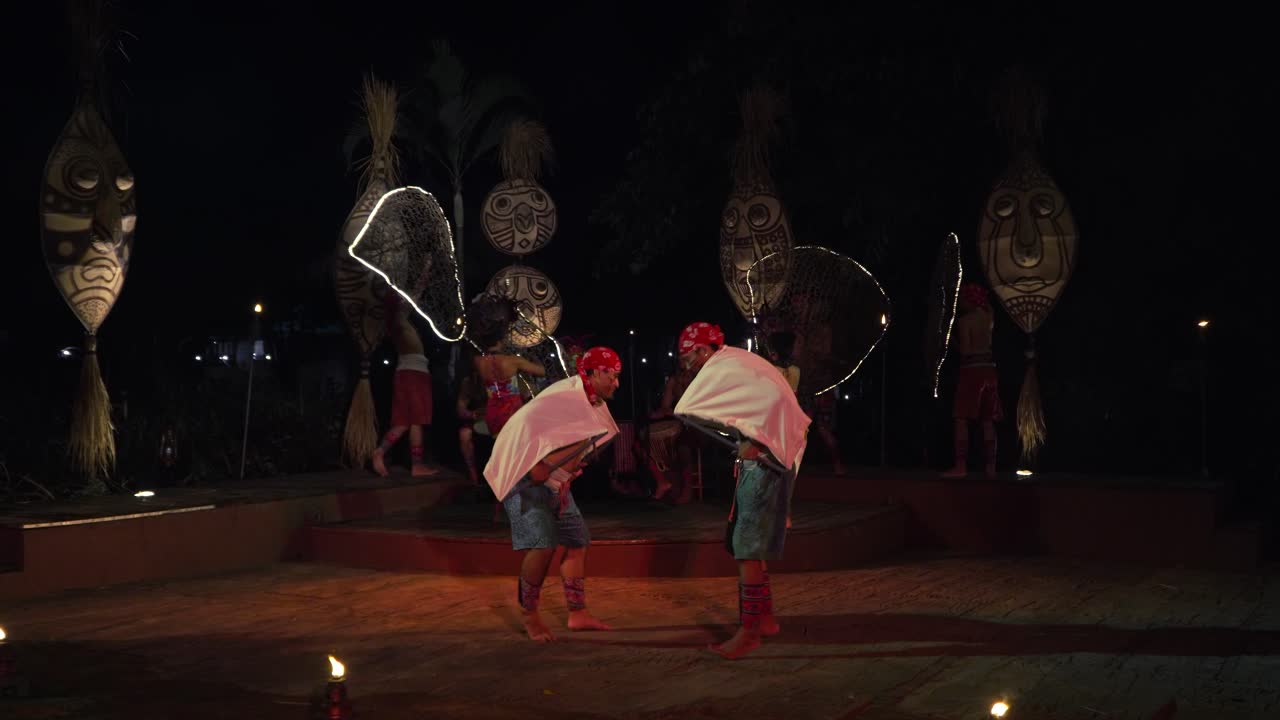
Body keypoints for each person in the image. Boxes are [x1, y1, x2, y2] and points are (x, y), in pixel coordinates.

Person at [675, 321, 809, 660]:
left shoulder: (725, 366)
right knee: (752, 544)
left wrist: (752, 440)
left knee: (746, 548)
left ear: (703, 350)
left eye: (688, 358)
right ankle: (764, 620)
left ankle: (748, 633)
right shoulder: (738, 362)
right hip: (773, 458)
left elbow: (688, 409)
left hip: (765, 464)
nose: (687, 366)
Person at [485, 346, 623, 642]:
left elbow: (579, 445)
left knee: (577, 540)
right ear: (595, 373)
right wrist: (547, 464)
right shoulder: (567, 397)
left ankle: (577, 613)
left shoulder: (589, 399)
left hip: (554, 480)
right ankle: (529, 615)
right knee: (543, 543)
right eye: (611, 376)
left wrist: (567, 472)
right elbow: (532, 446)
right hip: (522, 474)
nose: (616, 383)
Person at [372, 294, 437, 478]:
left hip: (408, 373)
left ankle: (380, 452)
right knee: (416, 421)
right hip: (413, 374)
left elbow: (414, 296)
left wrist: (426, 269)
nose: (406, 300)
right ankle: (416, 466)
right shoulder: (398, 321)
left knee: (403, 423)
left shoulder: (397, 320)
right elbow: (412, 297)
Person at [943, 283, 1002, 478]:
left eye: (961, 299)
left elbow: (967, 352)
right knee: (988, 420)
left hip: (971, 372)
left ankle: (961, 466)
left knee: (961, 418)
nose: (959, 302)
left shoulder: (965, 321)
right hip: (990, 370)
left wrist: (953, 343)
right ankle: (991, 468)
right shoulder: (989, 317)